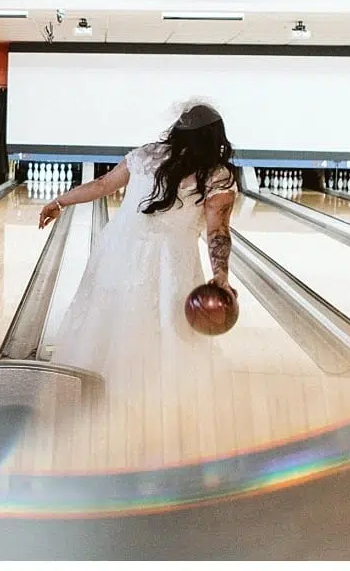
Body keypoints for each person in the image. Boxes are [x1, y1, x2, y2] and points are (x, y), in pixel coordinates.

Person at [34, 101, 238, 396]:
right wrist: (221, 275)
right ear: (215, 138)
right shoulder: (216, 174)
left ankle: (94, 389)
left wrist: (59, 201)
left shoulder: (146, 155)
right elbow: (217, 230)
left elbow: (103, 184)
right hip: (170, 260)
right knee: (163, 327)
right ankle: (155, 396)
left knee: (108, 318)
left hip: (119, 251)